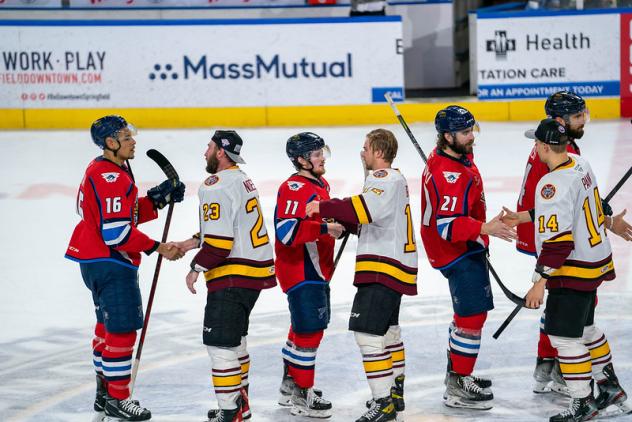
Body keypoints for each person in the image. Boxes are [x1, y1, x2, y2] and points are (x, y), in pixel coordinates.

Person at [508, 91, 632, 395]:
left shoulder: (559, 168)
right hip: (581, 253)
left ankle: (571, 383)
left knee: (568, 326)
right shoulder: (574, 160)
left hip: (570, 254)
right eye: (578, 116)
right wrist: (526, 219)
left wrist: (540, 279)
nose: (584, 120)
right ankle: (580, 376)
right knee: (578, 324)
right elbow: (564, 212)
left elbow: (565, 218)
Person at [65, 115, 185, 421]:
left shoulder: (104, 168)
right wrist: (160, 247)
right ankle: (118, 400)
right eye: (126, 137)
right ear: (110, 143)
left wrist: (156, 199)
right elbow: (116, 233)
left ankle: (103, 394)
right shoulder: (113, 177)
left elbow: (120, 215)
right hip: (111, 262)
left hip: (94, 259)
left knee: (106, 328)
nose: (133, 141)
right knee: (121, 330)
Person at [306, 128, 417, 422]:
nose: (362, 152)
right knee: (389, 333)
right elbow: (373, 220)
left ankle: (384, 402)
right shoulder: (393, 180)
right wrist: (343, 217)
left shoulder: (383, 177)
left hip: (382, 267)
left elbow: (365, 210)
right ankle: (395, 392)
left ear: (379, 152)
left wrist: (324, 206)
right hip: (393, 265)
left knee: (368, 335)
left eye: (366, 147)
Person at [175, 130, 277, 422]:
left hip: (232, 274)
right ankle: (240, 403)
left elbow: (220, 242)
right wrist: (191, 242)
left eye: (208, 146)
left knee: (219, 343)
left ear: (220, 151)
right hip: (252, 274)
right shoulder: (241, 178)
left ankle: (230, 411)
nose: (204, 152)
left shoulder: (215, 185)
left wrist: (196, 267)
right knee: (236, 342)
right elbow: (228, 225)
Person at [419, 106, 516, 410]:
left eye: (472, 129)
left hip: (465, 244)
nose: (471, 136)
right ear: (447, 136)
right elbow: (446, 226)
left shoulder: (456, 158)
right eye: (464, 132)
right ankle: (459, 383)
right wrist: (484, 228)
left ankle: (456, 371)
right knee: (472, 316)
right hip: (455, 249)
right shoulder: (448, 172)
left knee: (468, 314)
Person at [274, 132, 344, 418]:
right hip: (301, 270)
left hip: (314, 269)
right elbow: (287, 232)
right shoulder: (294, 187)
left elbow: (321, 219)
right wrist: (326, 229)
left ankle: (290, 385)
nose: (322, 157)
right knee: (309, 330)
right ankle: (302, 395)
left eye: (321, 152)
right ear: (301, 160)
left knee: (301, 327)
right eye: (316, 154)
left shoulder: (319, 183)